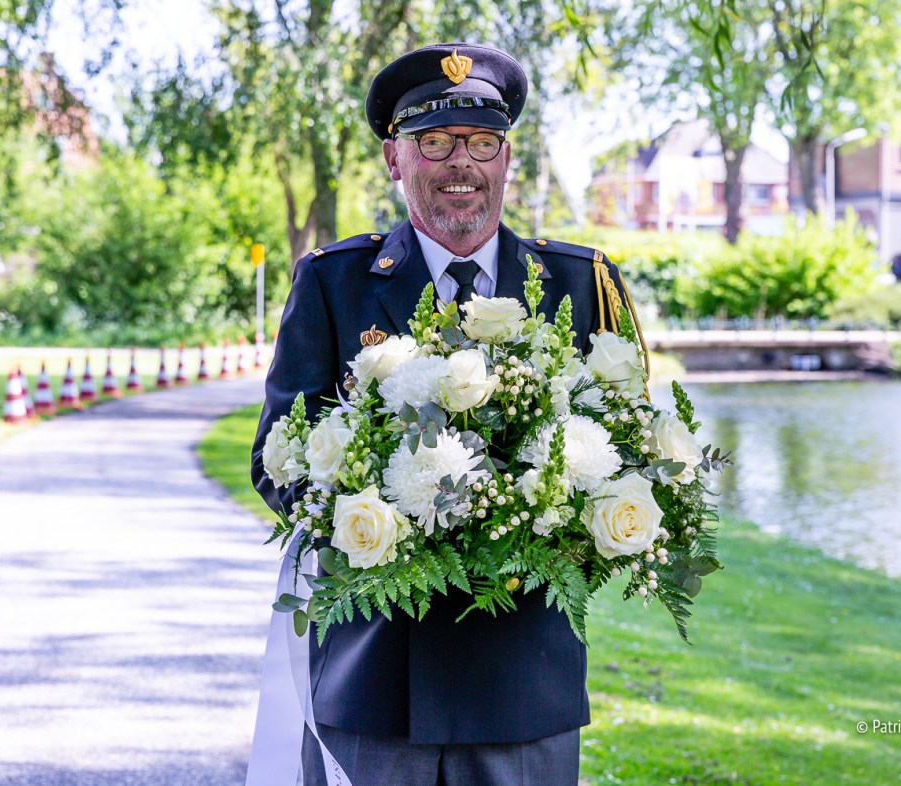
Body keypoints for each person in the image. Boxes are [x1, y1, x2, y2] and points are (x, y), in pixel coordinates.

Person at [250, 42, 636, 786]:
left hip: (523, 688)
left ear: (507, 159)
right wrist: (382, 520)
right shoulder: (333, 283)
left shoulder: (578, 283)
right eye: (434, 142)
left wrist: (541, 524)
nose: (462, 163)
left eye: (482, 142)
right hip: (374, 684)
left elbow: (632, 454)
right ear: (395, 159)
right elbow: (279, 460)